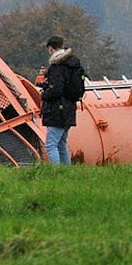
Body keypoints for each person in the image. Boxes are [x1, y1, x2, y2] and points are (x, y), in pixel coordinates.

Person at [36, 35, 85, 166]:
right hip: (70, 107)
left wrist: (44, 94)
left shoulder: (57, 66)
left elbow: (57, 89)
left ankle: (56, 172)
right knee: (62, 143)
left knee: (51, 145)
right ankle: (66, 172)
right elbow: (65, 85)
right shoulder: (73, 63)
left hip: (57, 109)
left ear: (50, 49)